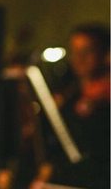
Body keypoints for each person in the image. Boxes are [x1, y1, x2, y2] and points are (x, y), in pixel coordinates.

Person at [30, 24, 110, 189]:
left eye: (87, 51)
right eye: (75, 51)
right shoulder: (69, 93)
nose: (79, 58)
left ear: (105, 54)